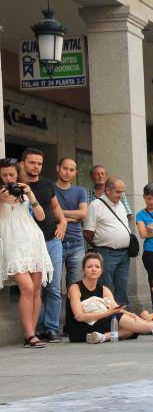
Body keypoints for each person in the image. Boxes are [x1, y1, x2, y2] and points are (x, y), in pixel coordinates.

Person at [65, 252, 153, 344]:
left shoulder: (104, 289)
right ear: (83, 270)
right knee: (119, 319)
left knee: (133, 328)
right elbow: (79, 316)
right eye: (89, 267)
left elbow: (116, 308)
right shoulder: (75, 288)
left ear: (101, 270)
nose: (94, 269)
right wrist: (107, 314)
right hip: (79, 329)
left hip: (97, 326)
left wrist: (131, 314)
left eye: (97, 266)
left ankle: (102, 337)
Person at [0, 158, 54, 348]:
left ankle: (31, 334)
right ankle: (30, 334)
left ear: (18, 174)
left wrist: (30, 194)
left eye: (12, 174)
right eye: (4, 175)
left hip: (32, 240)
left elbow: (41, 217)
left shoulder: (24, 193)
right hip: (12, 242)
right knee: (27, 287)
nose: (8, 178)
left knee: (36, 288)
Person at [20, 149, 67, 343]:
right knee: (33, 288)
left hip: (51, 240)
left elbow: (55, 207)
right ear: (23, 163)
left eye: (39, 163)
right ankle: (35, 329)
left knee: (54, 287)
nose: (36, 167)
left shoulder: (47, 184)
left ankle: (52, 329)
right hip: (28, 245)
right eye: (32, 163)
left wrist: (63, 222)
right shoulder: (16, 186)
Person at [84, 177, 134, 306]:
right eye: (118, 192)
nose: (121, 195)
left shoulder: (121, 204)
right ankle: (106, 317)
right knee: (105, 287)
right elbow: (88, 232)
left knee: (122, 286)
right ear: (108, 190)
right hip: (106, 252)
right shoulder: (95, 205)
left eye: (122, 192)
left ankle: (122, 316)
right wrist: (101, 246)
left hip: (124, 254)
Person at [53, 157, 87, 286]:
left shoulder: (80, 191)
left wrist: (59, 213)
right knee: (53, 285)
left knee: (76, 287)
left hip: (77, 243)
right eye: (65, 168)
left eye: (71, 170)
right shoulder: (50, 188)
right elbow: (49, 215)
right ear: (58, 168)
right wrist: (74, 216)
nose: (68, 172)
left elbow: (83, 213)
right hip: (55, 240)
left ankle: (73, 308)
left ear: (75, 173)